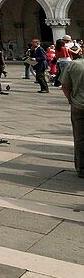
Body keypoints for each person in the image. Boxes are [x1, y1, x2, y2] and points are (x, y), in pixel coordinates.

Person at [59, 42, 84, 178]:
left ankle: (82, 168)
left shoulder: (73, 65)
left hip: (78, 105)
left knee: (80, 137)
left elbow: (65, 86)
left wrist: (70, 99)